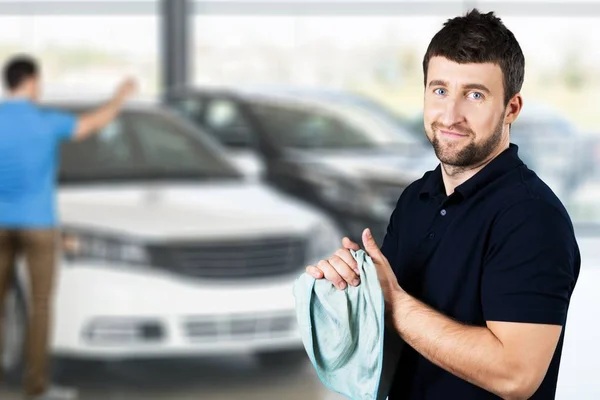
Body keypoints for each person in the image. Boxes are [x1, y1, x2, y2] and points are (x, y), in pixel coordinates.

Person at [306, 9, 580, 400]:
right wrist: (354, 288)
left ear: (512, 109)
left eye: (474, 94)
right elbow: (389, 336)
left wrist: (393, 302)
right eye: (439, 90)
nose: (450, 115)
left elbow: (515, 376)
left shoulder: (533, 218)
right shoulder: (417, 197)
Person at [0, 54, 136, 400]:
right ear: (30, 82)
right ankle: (36, 389)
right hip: (39, 226)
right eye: (39, 83)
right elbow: (91, 124)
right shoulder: (46, 121)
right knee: (40, 305)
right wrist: (119, 97)